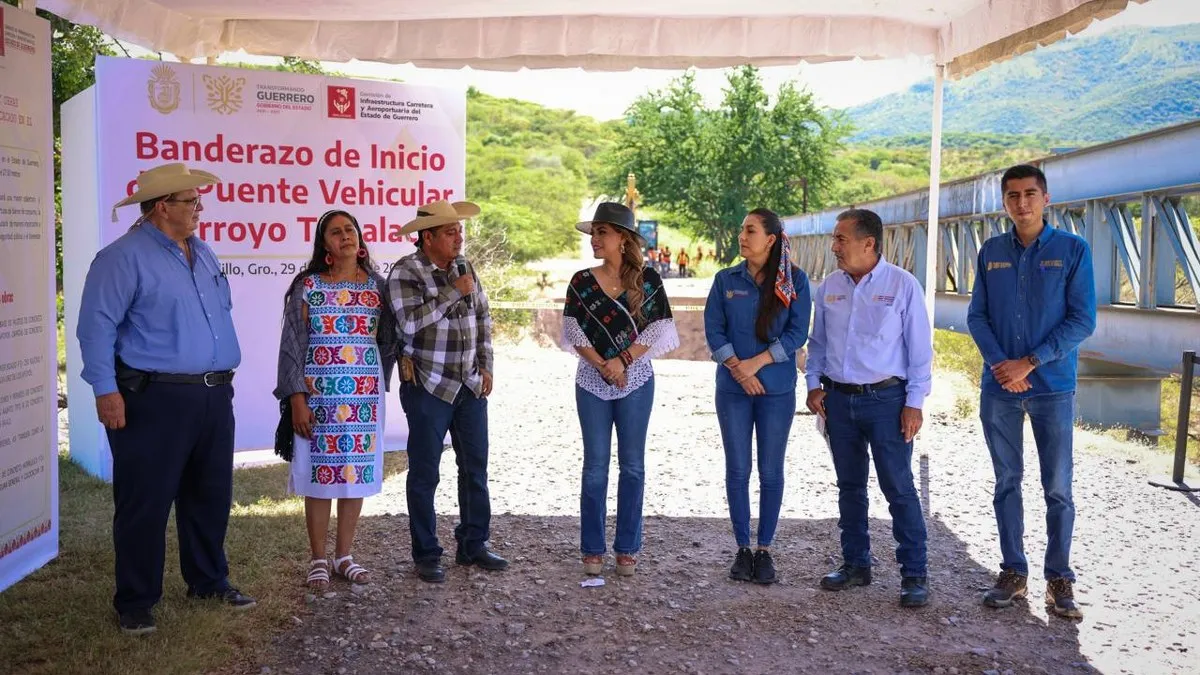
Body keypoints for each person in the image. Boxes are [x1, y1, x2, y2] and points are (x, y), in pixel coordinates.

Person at [77, 162, 255, 636]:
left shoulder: (203, 251)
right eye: (191, 202)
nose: (200, 209)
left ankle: (208, 580)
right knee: (145, 502)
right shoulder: (122, 257)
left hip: (214, 395)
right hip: (154, 399)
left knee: (210, 495)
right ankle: (136, 601)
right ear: (162, 207)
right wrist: (105, 389)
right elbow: (95, 328)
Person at [967, 164, 1096, 619]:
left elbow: (1083, 319)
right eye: (1013, 196)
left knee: (1058, 487)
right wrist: (1004, 367)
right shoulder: (991, 251)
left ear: (1046, 198)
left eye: (1029, 194)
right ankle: (1013, 571)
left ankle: (1059, 578)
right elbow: (977, 317)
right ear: (1004, 201)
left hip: (1052, 386)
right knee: (1007, 482)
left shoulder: (1073, 250)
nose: (1021, 203)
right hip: (1000, 387)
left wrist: (1031, 362)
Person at [805, 208, 933, 608]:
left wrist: (914, 403)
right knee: (850, 487)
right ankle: (856, 564)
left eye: (841, 239)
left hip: (887, 401)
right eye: (834, 238)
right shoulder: (830, 287)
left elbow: (920, 352)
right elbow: (818, 344)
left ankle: (914, 574)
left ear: (868, 243)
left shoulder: (902, 285)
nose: (834, 246)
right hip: (839, 401)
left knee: (898, 487)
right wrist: (813, 386)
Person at [275, 210, 397, 590]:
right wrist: (297, 398)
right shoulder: (308, 286)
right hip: (318, 398)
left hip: (363, 400)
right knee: (318, 477)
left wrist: (378, 375)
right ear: (324, 245)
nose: (346, 236)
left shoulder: (379, 288)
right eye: (336, 232)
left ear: (360, 240)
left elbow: (389, 342)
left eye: (351, 230)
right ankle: (317, 559)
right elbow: (292, 346)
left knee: (354, 476)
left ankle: (344, 556)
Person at [388, 200, 508, 583]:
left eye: (460, 231)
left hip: (469, 385)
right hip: (428, 385)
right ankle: (426, 553)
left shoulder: (465, 267)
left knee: (475, 469)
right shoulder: (406, 272)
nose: (460, 238)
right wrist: (452, 292)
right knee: (425, 473)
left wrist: (486, 364)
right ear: (428, 237)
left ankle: (473, 544)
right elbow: (408, 324)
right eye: (451, 232)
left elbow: (484, 317)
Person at [562, 202, 678, 577]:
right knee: (595, 467)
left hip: (637, 381)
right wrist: (603, 366)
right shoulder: (581, 281)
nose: (594, 239)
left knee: (632, 467)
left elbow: (658, 328)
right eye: (594, 232)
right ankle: (592, 550)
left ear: (623, 240)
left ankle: (627, 549)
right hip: (591, 382)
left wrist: (623, 362)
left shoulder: (649, 281)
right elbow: (573, 330)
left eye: (602, 233)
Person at [704, 208, 811, 585]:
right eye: (740, 229)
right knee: (737, 468)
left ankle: (764, 549)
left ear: (770, 239)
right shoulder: (724, 280)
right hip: (733, 390)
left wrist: (757, 363)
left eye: (750, 230)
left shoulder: (794, 280)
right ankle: (742, 548)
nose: (742, 236)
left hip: (777, 390)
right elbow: (714, 331)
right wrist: (738, 368)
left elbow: (798, 333)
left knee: (770, 470)